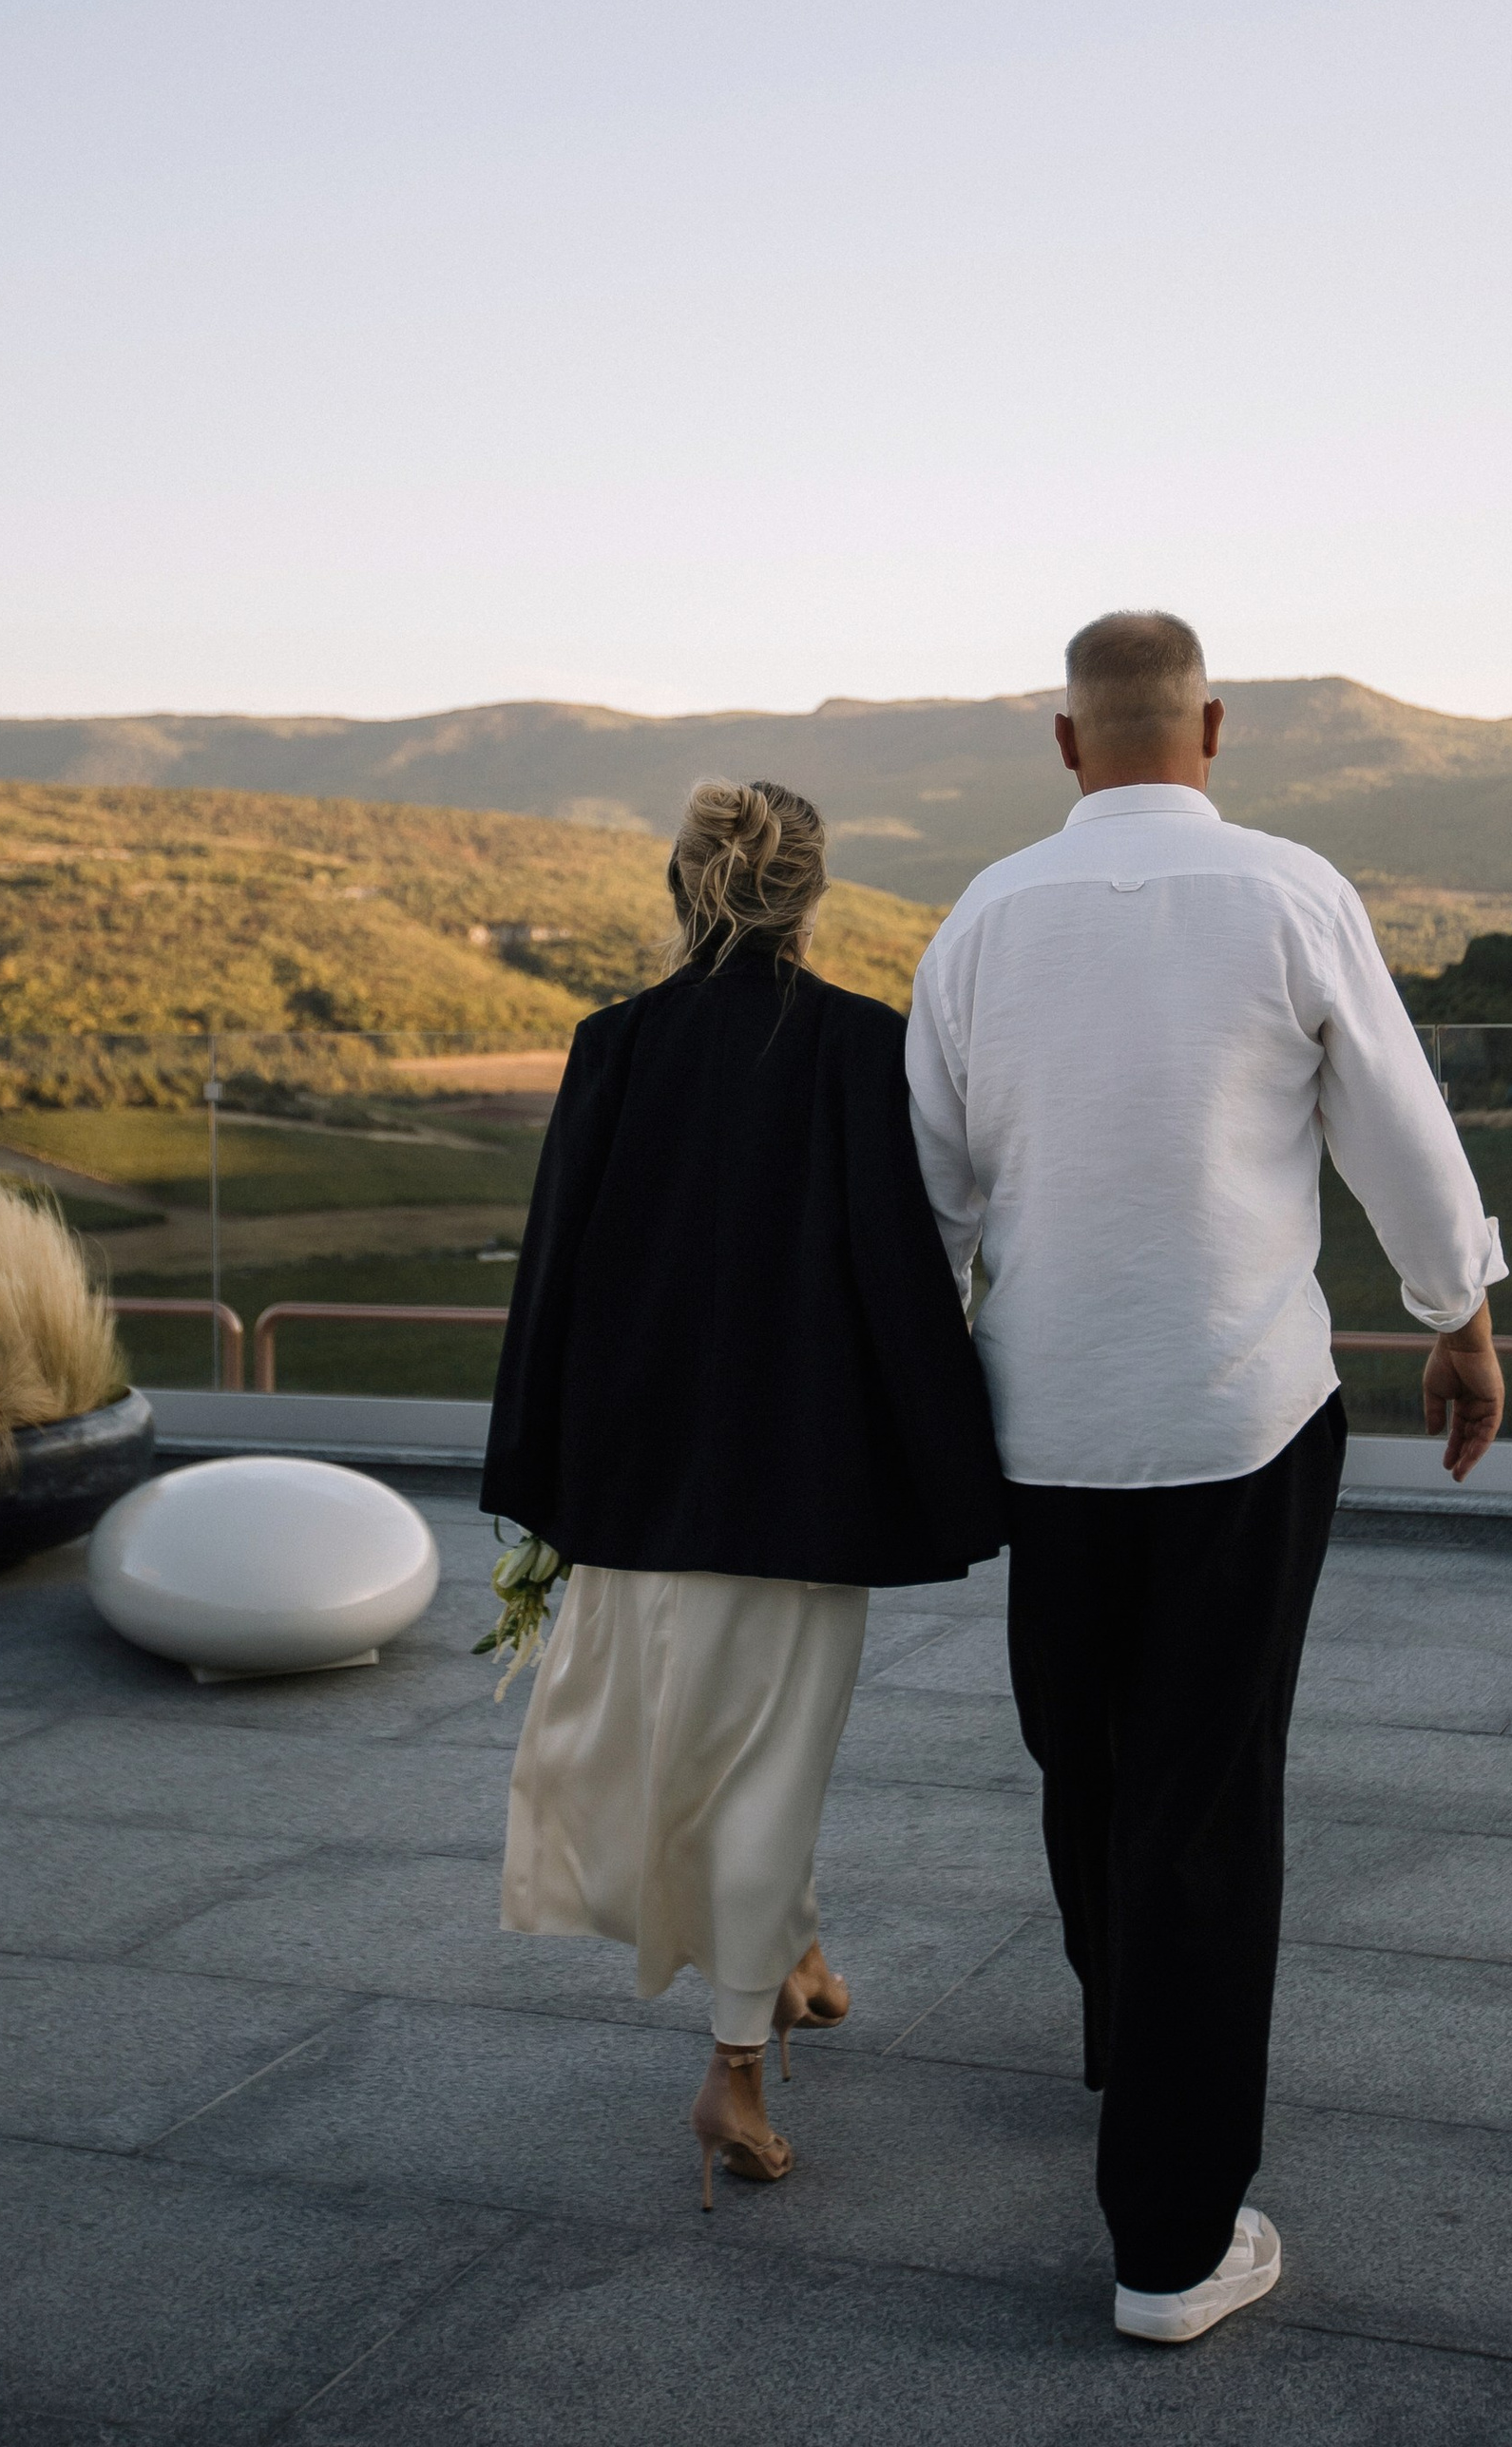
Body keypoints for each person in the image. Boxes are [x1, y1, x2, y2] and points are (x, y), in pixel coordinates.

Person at [907, 611, 1508, 2345]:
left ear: (1066, 742)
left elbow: (929, 1201)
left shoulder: (982, 920)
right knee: (1206, 1797)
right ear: (1215, 729)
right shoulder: (1291, 892)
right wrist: (1455, 1321)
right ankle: (1173, 2244)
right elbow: (1399, 1126)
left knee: (1085, 1757)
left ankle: (1128, 2043)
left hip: (1047, 1427)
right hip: (1243, 1412)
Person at [482, 776, 1005, 2207]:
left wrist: (543, 1477)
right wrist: (955, 1458)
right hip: (796, 1484)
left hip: (641, 1485)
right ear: (812, 897)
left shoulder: (610, 1047)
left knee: (713, 1746)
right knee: (766, 1758)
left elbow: (556, 1276)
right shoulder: (859, 1050)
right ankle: (733, 2072)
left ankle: (796, 1956)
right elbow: (906, 1280)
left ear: (677, 888)